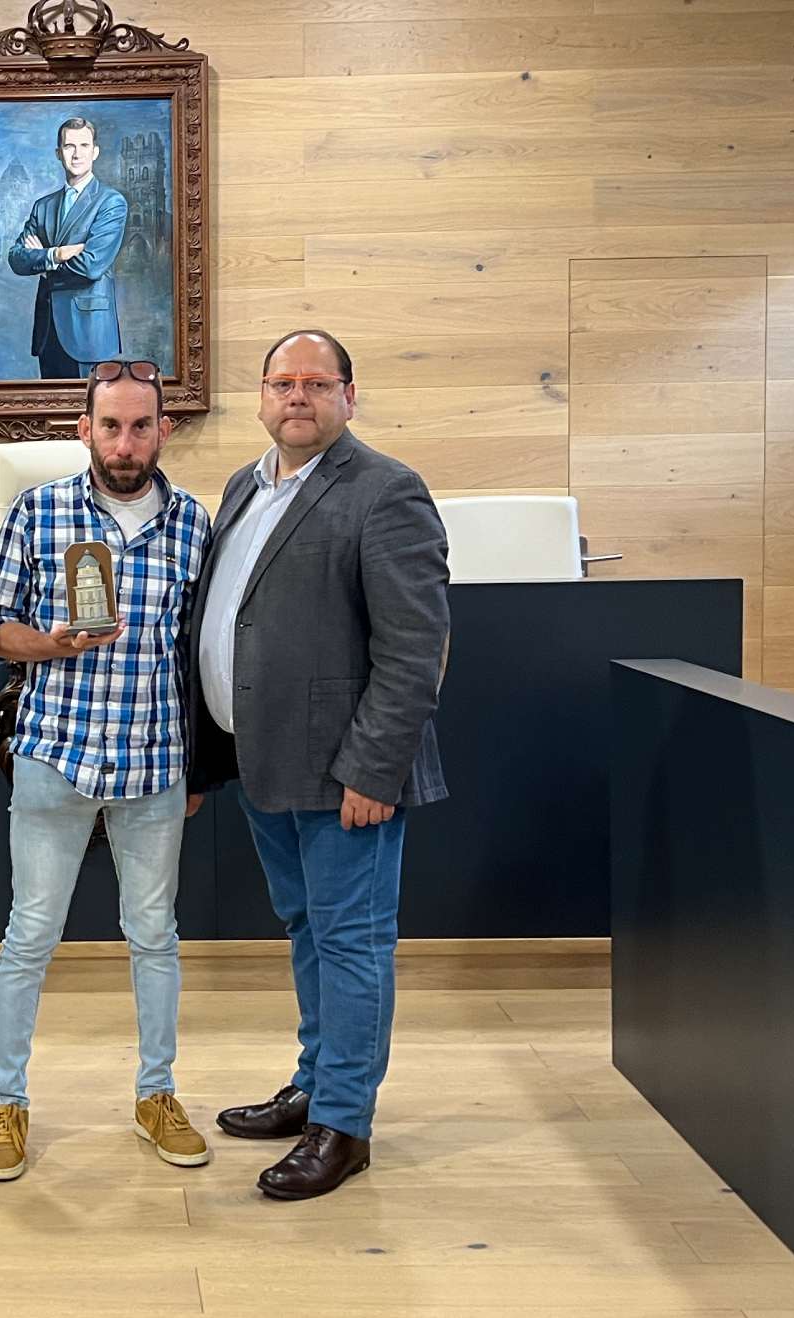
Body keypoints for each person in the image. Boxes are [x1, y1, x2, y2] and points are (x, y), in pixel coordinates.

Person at [190, 328, 451, 1200]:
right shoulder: (244, 486)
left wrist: (376, 771)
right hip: (265, 765)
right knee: (310, 933)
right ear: (262, 398)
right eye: (281, 383)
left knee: (351, 942)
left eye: (316, 382)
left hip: (346, 778)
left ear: (349, 395)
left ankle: (345, 1123)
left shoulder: (386, 492)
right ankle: (315, 1083)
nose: (296, 396)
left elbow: (416, 651)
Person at [0, 358, 212, 1181]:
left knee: (154, 936)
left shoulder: (192, 523)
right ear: (83, 430)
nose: (125, 441)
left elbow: (202, 654)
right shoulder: (37, 513)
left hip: (155, 764)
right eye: (109, 425)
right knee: (30, 937)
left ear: (163, 429)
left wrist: (202, 773)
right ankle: (7, 1102)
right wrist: (53, 643)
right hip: (55, 756)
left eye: (140, 424)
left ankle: (156, 1093)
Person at [7, 117, 130, 379]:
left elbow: (91, 266)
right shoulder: (43, 206)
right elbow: (17, 259)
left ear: (95, 152)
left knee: (93, 415)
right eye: (69, 146)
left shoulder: (111, 202)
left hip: (89, 333)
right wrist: (57, 254)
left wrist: (41, 262)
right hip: (48, 331)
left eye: (84, 145)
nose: (76, 154)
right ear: (58, 153)